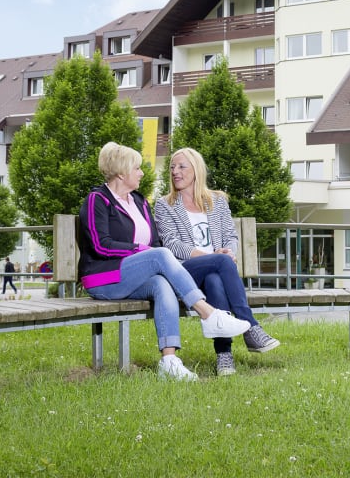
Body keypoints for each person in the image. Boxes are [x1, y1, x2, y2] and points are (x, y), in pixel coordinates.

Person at [78, 142, 251, 381]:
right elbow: (101, 244)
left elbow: (157, 242)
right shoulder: (97, 199)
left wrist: (150, 252)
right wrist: (142, 251)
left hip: (132, 276)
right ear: (121, 173)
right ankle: (209, 315)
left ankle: (169, 361)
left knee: (162, 283)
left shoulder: (138, 201)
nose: (141, 173)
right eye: (137, 168)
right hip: (103, 278)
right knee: (159, 255)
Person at [155, 147, 280, 377]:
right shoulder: (165, 205)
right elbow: (171, 244)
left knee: (214, 280)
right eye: (172, 167)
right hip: (183, 271)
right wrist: (212, 257)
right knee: (219, 265)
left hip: (216, 271)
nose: (175, 172)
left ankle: (224, 356)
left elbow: (231, 236)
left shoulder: (218, 201)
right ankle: (250, 326)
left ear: (196, 170)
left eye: (182, 166)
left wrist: (228, 251)